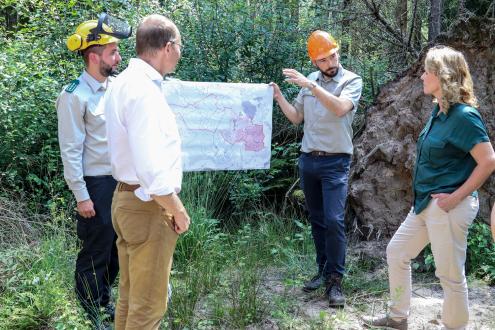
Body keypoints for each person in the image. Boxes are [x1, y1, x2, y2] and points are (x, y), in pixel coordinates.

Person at [367, 45, 495, 330]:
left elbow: (488, 161)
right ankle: (398, 317)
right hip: (426, 204)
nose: (422, 76)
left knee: (449, 275)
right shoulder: (439, 111)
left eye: (427, 71)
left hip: (449, 206)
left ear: (444, 76)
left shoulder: (464, 116)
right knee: (397, 252)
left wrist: (454, 198)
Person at [104, 14, 190, 329]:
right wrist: (176, 209)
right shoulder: (143, 90)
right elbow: (152, 167)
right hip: (148, 206)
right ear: (168, 47)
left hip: (127, 199)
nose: (180, 52)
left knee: (130, 299)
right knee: (149, 306)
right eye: (179, 45)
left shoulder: (125, 82)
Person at [271, 30, 363, 307]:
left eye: (333, 55)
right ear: (314, 62)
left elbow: (340, 108)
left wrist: (311, 87)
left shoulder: (351, 80)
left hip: (336, 162)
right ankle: (323, 271)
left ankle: (335, 280)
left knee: (335, 220)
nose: (330, 62)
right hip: (308, 160)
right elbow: (296, 118)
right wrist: (278, 97)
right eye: (323, 59)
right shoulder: (309, 82)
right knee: (318, 220)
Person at [56, 15, 129, 326]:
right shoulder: (74, 95)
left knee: (115, 251)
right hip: (95, 185)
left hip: (122, 182)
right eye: (113, 52)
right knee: (95, 252)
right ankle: (89, 315)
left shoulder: (118, 88)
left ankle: (102, 301)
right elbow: (70, 151)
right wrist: (82, 196)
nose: (119, 56)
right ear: (94, 56)